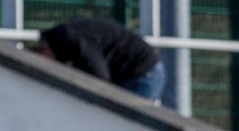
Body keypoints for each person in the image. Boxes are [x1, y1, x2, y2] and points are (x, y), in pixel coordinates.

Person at [35, 17, 166, 102]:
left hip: (143, 74)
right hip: (137, 71)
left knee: (127, 127)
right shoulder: (65, 39)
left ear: (46, 52)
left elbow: (100, 77)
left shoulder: (73, 40)